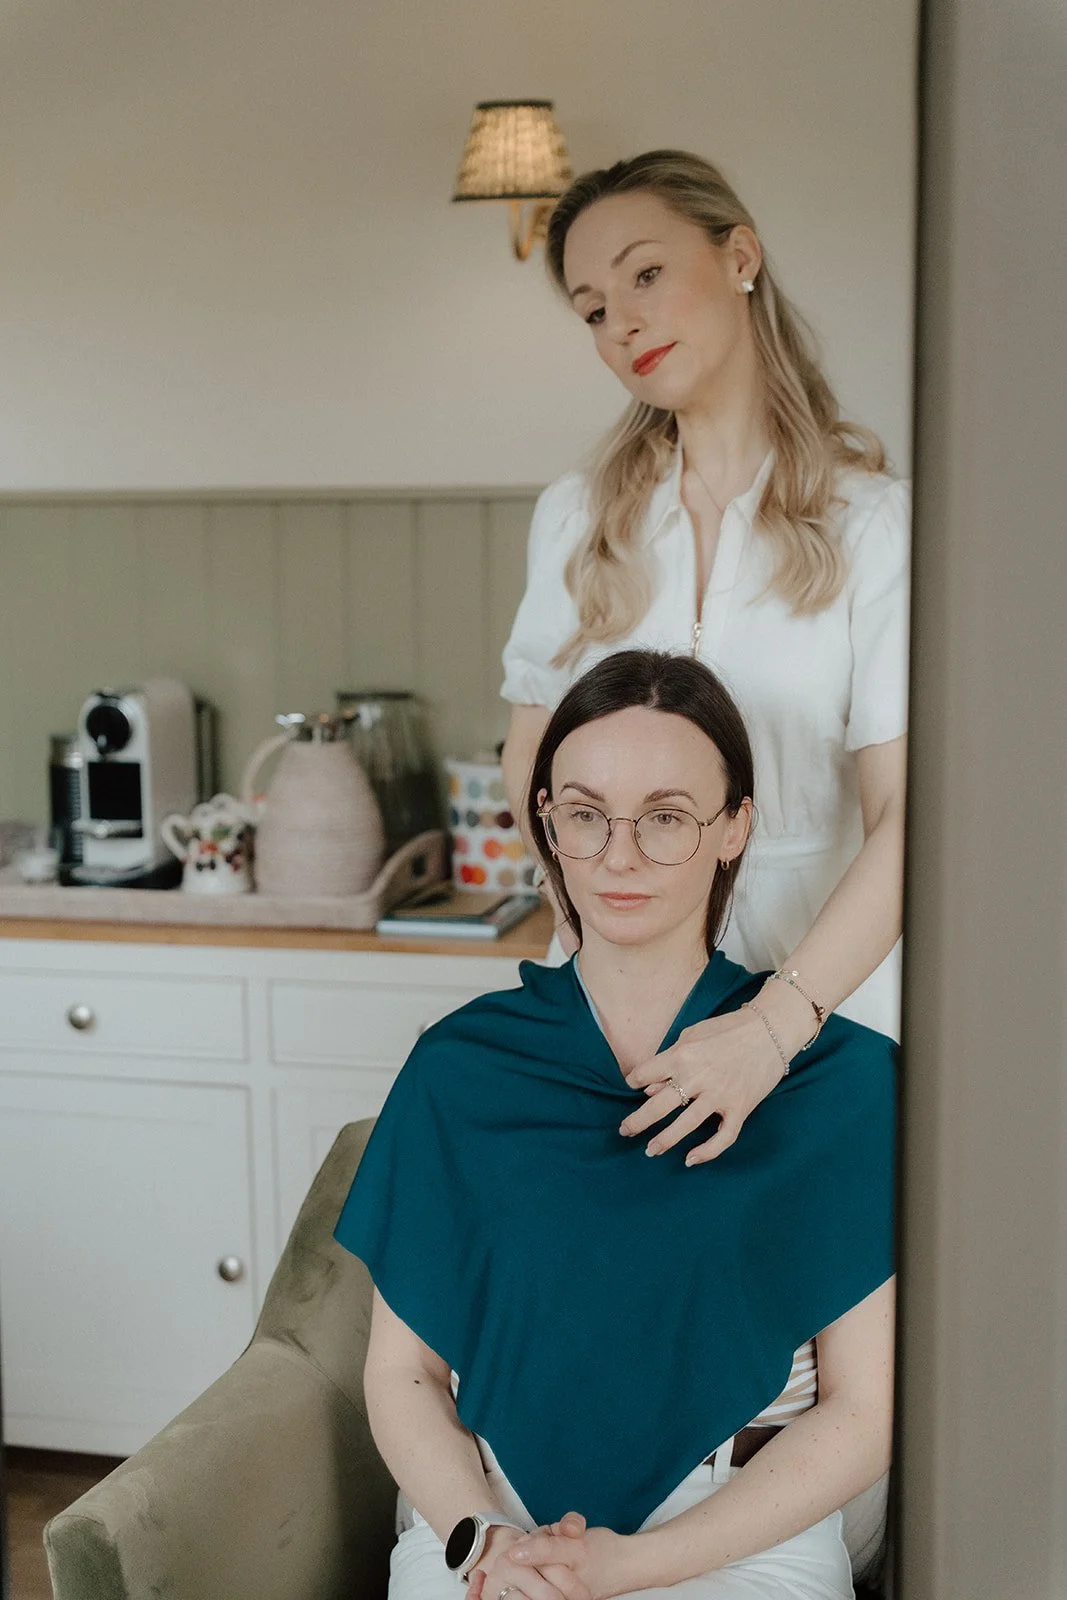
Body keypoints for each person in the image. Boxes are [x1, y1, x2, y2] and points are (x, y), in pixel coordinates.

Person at [335, 650, 896, 1600]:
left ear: (733, 831)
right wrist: (484, 1543)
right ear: (547, 823)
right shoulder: (461, 1068)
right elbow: (402, 1378)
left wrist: (637, 1564)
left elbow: (864, 1409)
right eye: (585, 814)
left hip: (742, 1532)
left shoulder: (840, 1084)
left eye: (666, 817)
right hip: (486, 1521)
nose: (619, 855)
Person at [500, 149, 909, 1172]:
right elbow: (529, 769)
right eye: (590, 307)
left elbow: (909, 818)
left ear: (739, 256)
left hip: (820, 1025)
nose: (620, 323)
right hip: (609, 1029)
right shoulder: (576, 521)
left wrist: (771, 1027)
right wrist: (601, 952)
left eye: (643, 275)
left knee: (810, 1333)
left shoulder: (873, 527)